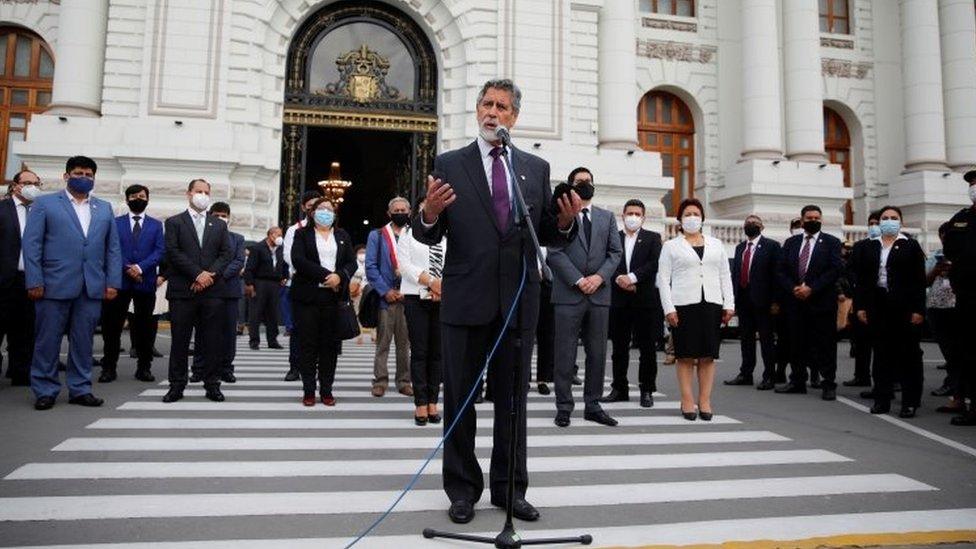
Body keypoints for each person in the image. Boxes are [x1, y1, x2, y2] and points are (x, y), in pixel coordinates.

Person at [415, 78, 580, 524]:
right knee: (461, 402)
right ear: (476, 111)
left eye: (502, 106)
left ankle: (510, 490)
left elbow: (546, 231)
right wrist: (429, 213)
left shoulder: (534, 167)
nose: (493, 112)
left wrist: (565, 224)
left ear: (514, 117)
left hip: (517, 305)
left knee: (513, 403)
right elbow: (429, 230)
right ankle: (463, 490)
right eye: (486, 104)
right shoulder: (450, 163)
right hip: (466, 299)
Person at [24, 156, 122, 410]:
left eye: (89, 175)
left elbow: (112, 248)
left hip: (91, 286)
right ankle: (45, 389)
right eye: (79, 173)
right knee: (48, 340)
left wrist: (113, 282)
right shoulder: (45, 204)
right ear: (66, 176)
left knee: (83, 341)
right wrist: (34, 280)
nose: (85, 178)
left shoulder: (103, 208)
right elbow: (32, 245)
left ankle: (80, 388)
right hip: (52, 284)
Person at [547, 167, 622, 427]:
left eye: (589, 181)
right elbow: (554, 251)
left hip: (599, 295)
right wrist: (579, 280)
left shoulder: (607, 217)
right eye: (580, 182)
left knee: (598, 352)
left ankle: (593, 404)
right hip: (569, 294)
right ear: (570, 186)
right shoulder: (561, 215)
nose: (586, 184)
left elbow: (615, 253)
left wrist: (599, 278)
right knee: (565, 353)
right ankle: (564, 406)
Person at [657, 199, 734, 421]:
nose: (692, 217)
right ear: (680, 219)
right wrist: (668, 308)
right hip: (683, 305)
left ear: (702, 218)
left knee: (708, 355)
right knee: (686, 355)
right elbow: (663, 279)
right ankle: (687, 400)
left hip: (711, 303)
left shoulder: (716, 244)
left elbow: (724, 275)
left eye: (696, 213)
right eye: (688, 214)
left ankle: (705, 400)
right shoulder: (671, 246)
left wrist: (729, 303)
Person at [161, 179, 234, 404]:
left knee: (212, 341)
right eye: (198, 191)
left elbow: (226, 254)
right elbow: (173, 252)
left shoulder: (219, 225)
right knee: (180, 341)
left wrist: (208, 275)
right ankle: (176, 385)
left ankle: (212, 384)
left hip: (212, 292)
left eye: (206, 192)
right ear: (189, 194)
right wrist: (197, 274)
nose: (202, 195)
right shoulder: (174, 222)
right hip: (183, 291)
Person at [852, 206, 926, 417]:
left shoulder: (910, 245)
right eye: (885, 218)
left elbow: (918, 281)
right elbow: (863, 281)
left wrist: (918, 310)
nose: (889, 221)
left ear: (901, 222)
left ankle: (910, 401)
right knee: (882, 354)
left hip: (904, 306)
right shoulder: (868, 247)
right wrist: (861, 307)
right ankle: (882, 398)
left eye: (894, 218)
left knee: (908, 355)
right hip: (878, 305)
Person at [290, 199, 357, 406]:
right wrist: (328, 276)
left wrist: (340, 276)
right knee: (308, 344)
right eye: (321, 209)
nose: (325, 212)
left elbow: (351, 262)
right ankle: (309, 390)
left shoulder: (342, 235)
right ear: (312, 212)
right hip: (308, 298)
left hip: (333, 298)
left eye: (329, 209)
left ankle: (326, 389)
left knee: (330, 346)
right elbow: (298, 261)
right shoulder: (302, 234)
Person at [97, 184, 165, 383]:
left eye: (142, 196)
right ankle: (109, 367)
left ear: (148, 199)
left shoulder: (156, 225)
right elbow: (111, 248)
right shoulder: (115, 222)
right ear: (127, 200)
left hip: (145, 283)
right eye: (134, 196)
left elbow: (159, 251)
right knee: (112, 328)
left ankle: (144, 368)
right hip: (119, 282)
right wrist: (128, 268)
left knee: (145, 328)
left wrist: (140, 268)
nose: (138, 198)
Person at [775, 205, 843, 401]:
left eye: (817, 217)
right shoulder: (791, 242)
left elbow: (834, 270)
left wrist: (811, 288)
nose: (813, 220)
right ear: (802, 220)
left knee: (826, 345)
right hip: (796, 302)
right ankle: (797, 381)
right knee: (796, 343)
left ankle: (828, 383)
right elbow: (781, 270)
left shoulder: (831, 242)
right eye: (809, 217)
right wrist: (793, 288)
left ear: (821, 219)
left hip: (821, 303)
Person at [603, 199, 662, 408]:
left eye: (637, 214)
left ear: (643, 217)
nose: (633, 217)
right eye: (630, 213)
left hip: (644, 300)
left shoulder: (653, 238)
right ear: (623, 215)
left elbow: (654, 264)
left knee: (647, 347)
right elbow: (607, 261)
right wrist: (620, 279)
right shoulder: (614, 238)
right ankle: (619, 388)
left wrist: (633, 278)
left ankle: (647, 389)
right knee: (619, 347)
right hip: (619, 301)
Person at [397, 201, 446, 425]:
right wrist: (431, 282)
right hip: (416, 296)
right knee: (420, 352)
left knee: (437, 353)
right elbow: (404, 265)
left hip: (443, 298)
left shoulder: (448, 233)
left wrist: (443, 286)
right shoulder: (408, 233)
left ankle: (433, 401)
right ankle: (420, 404)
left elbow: (457, 261)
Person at [191, 202, 246, 384]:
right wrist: (208, 278)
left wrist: (216, 276)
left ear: (229, 217)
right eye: (216, 215)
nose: (221, 218)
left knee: (229, 333)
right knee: (202, 331)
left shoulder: (237, 238)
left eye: (224, 215)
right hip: (206, 290)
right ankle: (199, 368)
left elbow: (238, 261)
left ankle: (226, 368)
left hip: (229, 291)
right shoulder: (202, 237)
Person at [725, 214, 782, 390]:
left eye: (754, 223)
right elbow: (735, 274)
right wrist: (732, 300)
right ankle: (746, 373)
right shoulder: (740, 247)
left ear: (761, 227)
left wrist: (775, 301)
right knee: (746, 339)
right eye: (747, 223)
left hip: (764, 301)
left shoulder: (772, 246)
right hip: (744, 300)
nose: (750, 225)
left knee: (766, 340)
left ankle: (770, 376)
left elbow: (776, 276)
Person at [365, 197, 412, 397]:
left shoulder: (414, 234)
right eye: (396, 210)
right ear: (389, 213)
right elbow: (371, 267)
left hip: (409, 296)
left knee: (405, 344)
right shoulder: (377, 235)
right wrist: (386, 291)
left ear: (409, 212)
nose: (400, 212)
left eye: (403, 209)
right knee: (383, 342)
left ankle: (404, 381)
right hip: (387, 298)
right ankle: (380, 381)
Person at [0, 170, 42, 387]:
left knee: (25, 329)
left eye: (36, 183)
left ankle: (20, 371)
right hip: (3, 280)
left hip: (30, 280)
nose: (32, 187)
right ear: (15, 185)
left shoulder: (41, 210)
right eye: (27, 183)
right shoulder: (2, 209)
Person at [942, 170, 976, 426]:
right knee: (969, 352)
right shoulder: (962, 218)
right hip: (967, 296)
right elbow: (950, 248)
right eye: (972, 184)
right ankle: (972, 406)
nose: (974, 188)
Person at [282, 190, 323, 381]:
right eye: (310, 207)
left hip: (323, 287)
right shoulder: (294, 230)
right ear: (304, 208)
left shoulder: (327, 229)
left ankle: (314, 366)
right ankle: (294, 366)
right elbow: (290, 257)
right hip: (300, 285)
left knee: (318, 329)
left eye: (318, 207)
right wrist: (314, 271)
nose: (314, 211)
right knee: (297, 328)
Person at [926, 223, 963, 412]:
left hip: (960, 308)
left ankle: (960, 394)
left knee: (962, 354)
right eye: (944, 236)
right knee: (950, 354)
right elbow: (924, 280)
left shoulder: (965, 255)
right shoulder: (936, 256)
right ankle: (956, 394)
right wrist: (938, 269)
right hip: (937, 309)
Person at [245, 226, 286, 350]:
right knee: (256, 312)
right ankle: (254, 340)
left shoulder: (280, 249)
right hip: (260, 282)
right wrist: (250, 284)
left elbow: (283, 265)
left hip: (274, 284)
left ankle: (272, 340)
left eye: (281, 235)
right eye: (278, 235)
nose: (280, 237)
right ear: (270, 235)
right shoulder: (258, 248)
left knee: (272, 313)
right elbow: (249, 268)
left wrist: (284, 276)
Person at [535, 247, 555, 395]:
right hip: (526, 287)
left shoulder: (552, 239)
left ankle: (543, 379)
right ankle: (524, 377)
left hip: (548, 290)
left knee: (547, 336)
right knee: (523, 336)